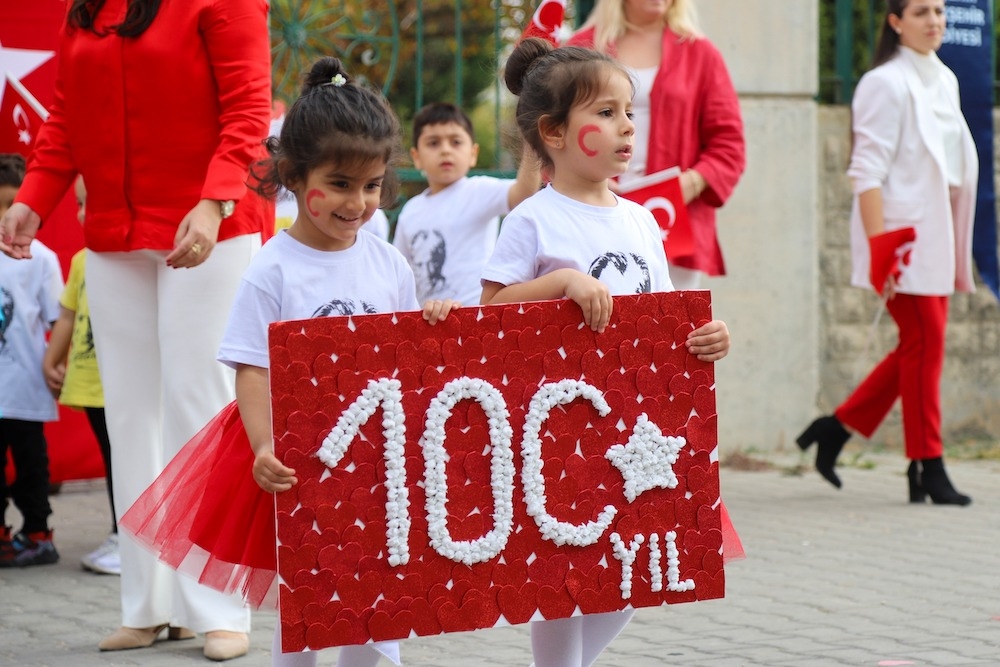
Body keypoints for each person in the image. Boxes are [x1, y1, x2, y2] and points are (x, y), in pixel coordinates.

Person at [121, 57, 458, 667]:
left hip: (375, 454)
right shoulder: (273, 269)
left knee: (380, 583)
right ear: (294, 177)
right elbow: (252, 367)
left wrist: (432, 320)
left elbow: (407, 354)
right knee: (305, 590)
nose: (358, 203)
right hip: (299, 455)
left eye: (372, 185)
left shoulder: (388, 263)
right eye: (341, 183)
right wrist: (263, 444)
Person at [0, 0, 273, 659]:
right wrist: (34, 198)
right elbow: (66, 116)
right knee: (129, 417)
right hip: (113, 236)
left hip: (209, 227)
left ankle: (219, 608)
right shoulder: (86, 10)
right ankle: (149, 607)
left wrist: (214, 200)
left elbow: (247, 111)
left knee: (197, 405)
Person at [481, 37, 735, 667]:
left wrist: (706, 337)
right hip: (562, 429)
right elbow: (491, 310)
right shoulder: (533, 219)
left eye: (628, 111)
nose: (626, 126)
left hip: (638, 427)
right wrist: (563, 283)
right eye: (605, 112)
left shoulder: (643, 220)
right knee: (564, 575)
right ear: (554, 132)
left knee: (637, 566)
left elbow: (664, 313)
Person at [795, 0, 976, 506]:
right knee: (925, 342)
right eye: (921, 12)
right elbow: (866, 171)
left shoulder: (943, 78)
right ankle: (927, 464)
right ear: (895, 22)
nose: (934, 20)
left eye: (939, 10)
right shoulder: (884, 83)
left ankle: (836, 429)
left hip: (937, 231)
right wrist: (881, 248)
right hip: (900, 237)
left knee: (920, 346)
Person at [567, 0, 745, 289]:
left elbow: (728, 144)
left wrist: (689, 184)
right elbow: (553, 128)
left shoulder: (700, 53)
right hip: (591, 210)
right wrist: (583, 180)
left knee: (671, 316)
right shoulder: (580, 50)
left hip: (673, 221)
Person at [40, 177, 119, 575]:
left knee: (127, 459)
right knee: (112, 459)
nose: (84, 213)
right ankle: (120, 533)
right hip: (90, 382)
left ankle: (128, 535)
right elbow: (68, 314)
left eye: (93, 202)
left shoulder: (129, 261)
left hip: (122, 382)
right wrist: (52, 359)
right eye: (80, 204)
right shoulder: (82, 260)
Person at [393, 102, 540, 305]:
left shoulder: (479, 190)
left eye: (456, 142)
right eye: (433, 143)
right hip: (429, 319)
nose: (445, 150)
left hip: (475, 313)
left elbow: (523, 193)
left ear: (473, 153)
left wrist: (531, 142)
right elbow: (400, 271)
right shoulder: (410, 211)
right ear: (416, 157)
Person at [0, 153, 64, 568]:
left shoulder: (41, 258)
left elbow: (60, 318)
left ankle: (39, 533)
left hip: (24, 386)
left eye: (11, 205)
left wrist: (56, 364)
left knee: (31, 464)